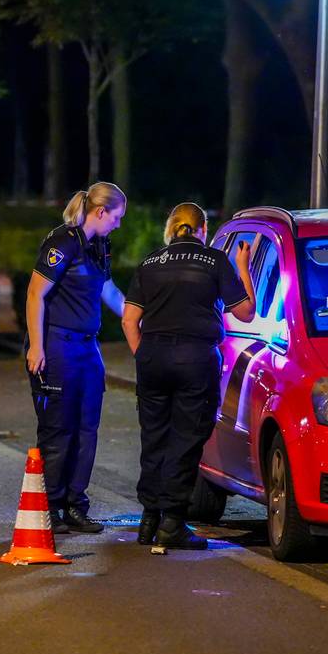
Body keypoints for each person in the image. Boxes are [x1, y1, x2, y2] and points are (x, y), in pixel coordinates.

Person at [122, 203, 254, 549]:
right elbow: (245, 311)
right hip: (195, 358)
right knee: (186, 438)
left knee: (154, 436)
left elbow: (129, 319)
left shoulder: (150, 262)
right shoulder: (215, 261)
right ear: (202, 229)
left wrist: (145, 355)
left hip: (153, 356)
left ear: (171, 228)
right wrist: (243, 268)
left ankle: (148, 520)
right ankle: (173, 523)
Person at [26, 182, 128, 534]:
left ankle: (75, 504)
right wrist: (36, 347)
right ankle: (50, 505)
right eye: (116, 217)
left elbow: (108, 291)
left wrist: (138, 315)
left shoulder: (99, 245)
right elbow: (36, 294)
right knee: (58, 430)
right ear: (100, 212)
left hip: (87, 347)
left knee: (87, 429)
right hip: (58, 345)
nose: (118, 223)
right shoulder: (63, 242)